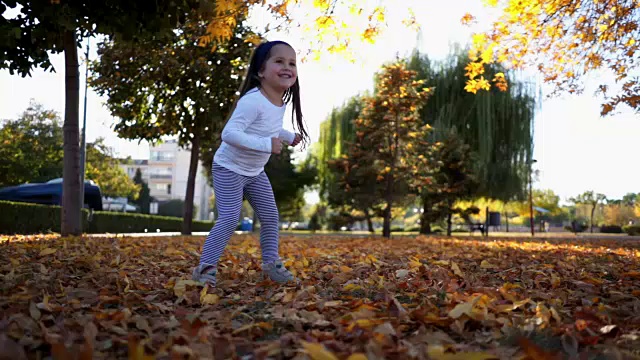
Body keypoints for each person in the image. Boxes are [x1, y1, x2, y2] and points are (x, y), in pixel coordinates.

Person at [192, 40, 309, 287]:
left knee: (270, 217)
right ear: (260, 71)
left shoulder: (279, 101)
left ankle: (270, 265)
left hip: (254, 172)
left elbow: (270, 127)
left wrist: (288, 137)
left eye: (292, 63)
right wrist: (268, 145)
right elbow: (230, 134)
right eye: (279, 61)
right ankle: (205, 269)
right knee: (229, 218)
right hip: (229, 169)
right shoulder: (252, 100)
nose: (287, 67)